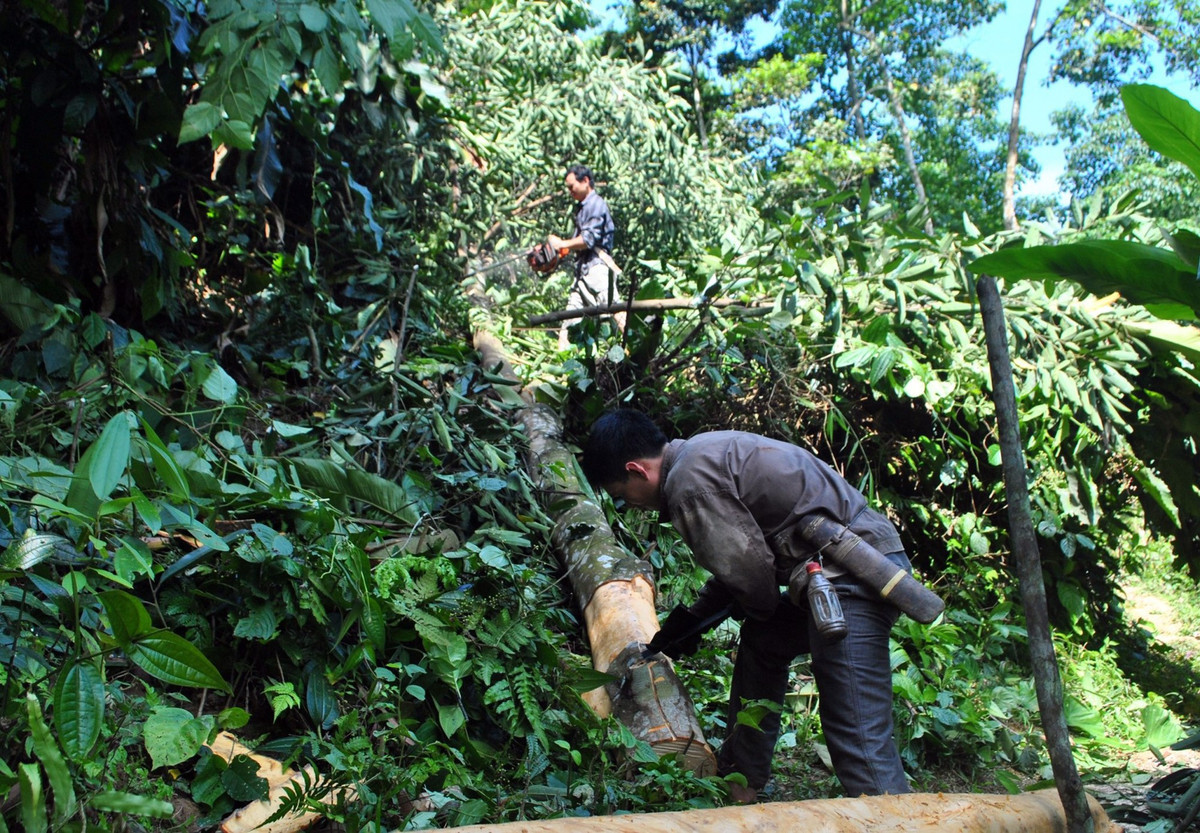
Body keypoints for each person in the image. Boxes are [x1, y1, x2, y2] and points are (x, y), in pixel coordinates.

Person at [581, 409, 914, 803]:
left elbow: (750, 576)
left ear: (637, 470)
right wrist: (691, 622)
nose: (632, 506)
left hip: (856, 577)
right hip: (834, 571)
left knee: (855, 729)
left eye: (623, 496)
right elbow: (741, 566)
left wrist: (748, 606)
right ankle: (741, 782)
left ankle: (894, 811)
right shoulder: (697, 455)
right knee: (765, 640)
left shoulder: (690, 483)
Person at [546, 164, 619, 348]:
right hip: (583, 272)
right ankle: (562, 360)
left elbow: (587, 240)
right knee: (569, 321)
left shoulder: (595, 204)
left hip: (597, 269)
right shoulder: (582, 208)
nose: (570, 191)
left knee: (616, 311)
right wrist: (558, 252)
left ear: (585, 181)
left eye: (572, 186)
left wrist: (562, 244)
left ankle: (638, 353)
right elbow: (576, 243)